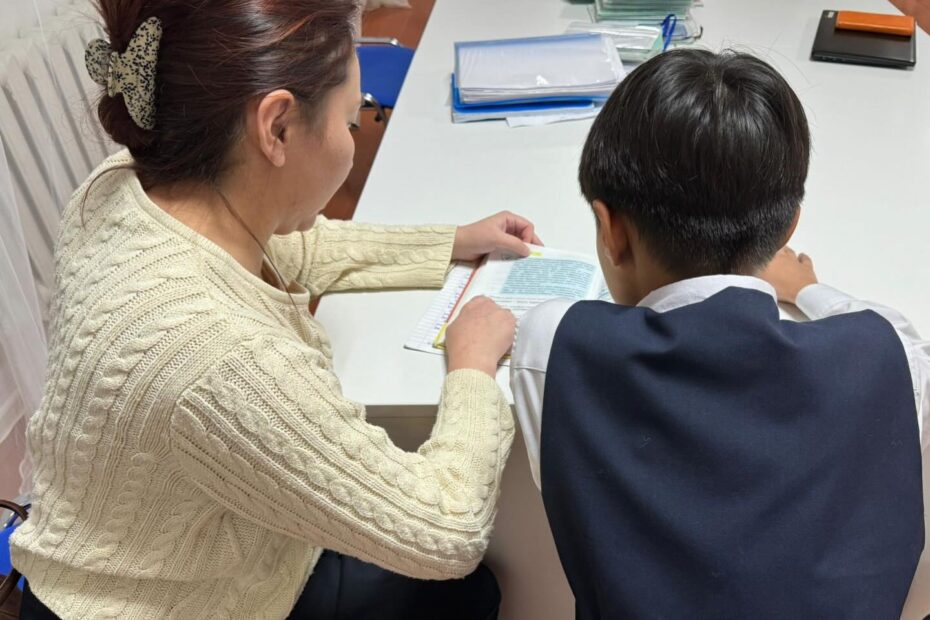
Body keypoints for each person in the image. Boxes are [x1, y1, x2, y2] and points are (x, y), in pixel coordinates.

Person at [10, 1, 539, 618]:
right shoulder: (222, 356)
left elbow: (291, 248)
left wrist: (451, 242)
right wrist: (472, 367)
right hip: (176, 603)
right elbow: (446, 531)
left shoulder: (121, 187)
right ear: (278, 127)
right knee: (471, 591)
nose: (351, 142)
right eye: (351, 123)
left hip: (109, 566)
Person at [510, 48, 929, 619]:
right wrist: (809, 290)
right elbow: (892, 330)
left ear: (610, 229)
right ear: (789, 227)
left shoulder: (556, 348)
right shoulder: (888, 359)